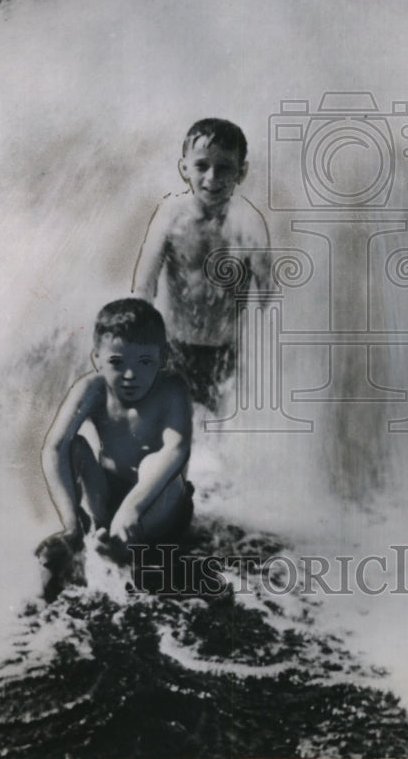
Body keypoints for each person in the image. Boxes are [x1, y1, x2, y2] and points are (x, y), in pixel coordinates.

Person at [37, 298, 193, 600]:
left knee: (153, 461)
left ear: (163, 357)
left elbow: (177, 448)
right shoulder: (92, 388)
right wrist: (70, 521)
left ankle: (122, 546)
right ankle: (79, 536)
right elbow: (54, 448)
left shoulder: (172, 388)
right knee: (75, 446)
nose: (131, 375)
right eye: (117, 363)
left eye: (144, 362)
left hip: (159, 509)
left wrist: (132, 508)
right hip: (107, 503)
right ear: (97, 358)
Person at [132, 118, 272, 410]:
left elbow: (269, 295)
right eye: (202, 166)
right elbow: (144, 285)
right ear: (184, 167)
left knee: (217, 431)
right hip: (174, 348)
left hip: (225, 353)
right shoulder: (172, 216)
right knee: (171, 428)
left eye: (224, 168)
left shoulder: (248, 223)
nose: (212, 178)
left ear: (241, 171)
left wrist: (266, 357)